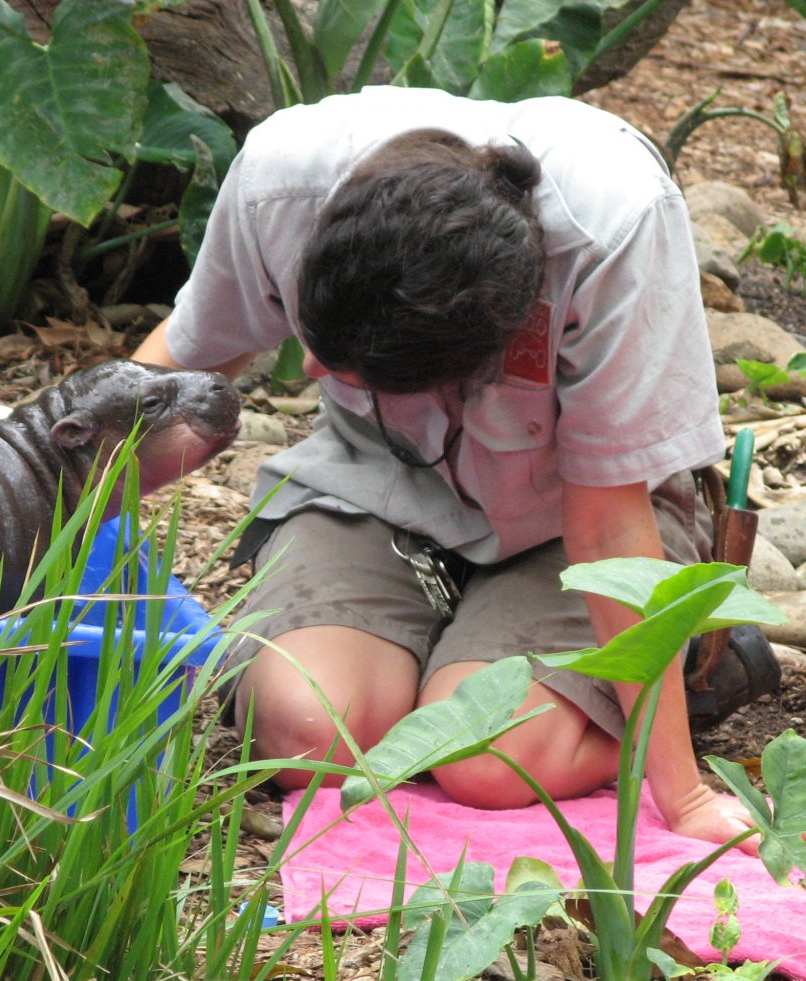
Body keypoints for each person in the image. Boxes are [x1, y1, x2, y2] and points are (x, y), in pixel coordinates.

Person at [133, 86, 756, 847]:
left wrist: (683, 795)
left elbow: (606, 524)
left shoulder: (614, 226)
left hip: (571, 517)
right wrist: (49, 510)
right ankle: (435, 654)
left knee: (487, 760)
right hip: (373, 483)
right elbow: (183, 371)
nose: (316, 371)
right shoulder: (282, 179)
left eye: (359, 374)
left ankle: (675, 686)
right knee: (305, 732)